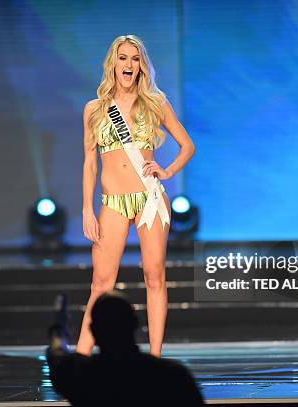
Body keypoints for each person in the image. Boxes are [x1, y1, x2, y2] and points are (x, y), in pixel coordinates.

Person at [78, 34, 195, 357]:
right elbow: (90, 163)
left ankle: (155, 358)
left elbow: (188, 146)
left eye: (134, 59)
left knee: (154, 275)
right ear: (113, 64)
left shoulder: (155, 102)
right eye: (123, 58)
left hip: (149, 200)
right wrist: (87, 209)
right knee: (101, 283)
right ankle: (81, 359)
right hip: (112, 202)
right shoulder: (95, 109)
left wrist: (168, 171)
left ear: (142, 66)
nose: (128, 64)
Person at [47, 291, 204, 406]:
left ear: (93, 329)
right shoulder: (172, 375)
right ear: (136, 324)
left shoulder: (82, 375)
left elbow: (57, 355)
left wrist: (59, 328)